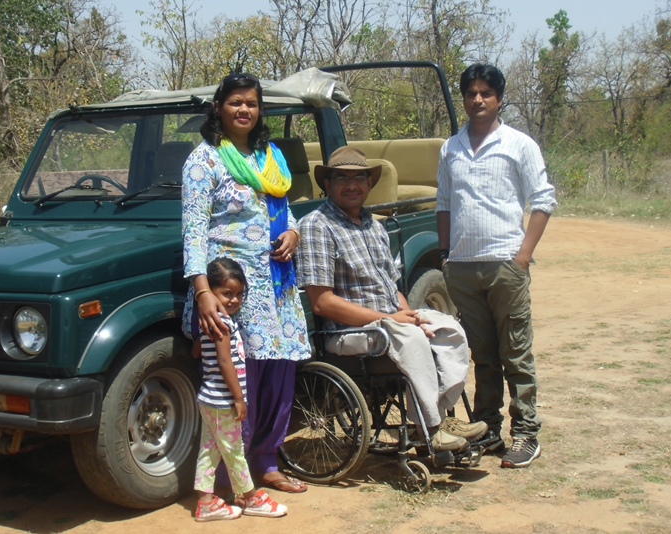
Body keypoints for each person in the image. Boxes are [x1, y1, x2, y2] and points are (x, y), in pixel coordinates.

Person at [297, 146, 487, 454]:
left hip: (389, 323)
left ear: (369, 184)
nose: (352, 185)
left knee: (448, 327)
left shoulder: (374, 225)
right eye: (341, 178)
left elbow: (391, 287)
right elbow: (323, 303)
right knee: (411, 338)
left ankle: (439, 418)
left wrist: (410, 314)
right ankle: (430, 428)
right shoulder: (317, 227)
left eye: (359, 178)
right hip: (344, 332)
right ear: (327, 185)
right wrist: (388, 320)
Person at [182, 72, 310, 494]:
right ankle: (230, 475)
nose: (244, 110)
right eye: (235, 102)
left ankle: (268, 461)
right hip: (233, 287)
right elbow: (194, 231)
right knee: (241, 374)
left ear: (260, 110)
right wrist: (202, 291)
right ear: (219, 107)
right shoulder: (204, 161)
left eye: (251, 103)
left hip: (277, 281)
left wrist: (292, 231)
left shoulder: (268, 156)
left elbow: (282, 207)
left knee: (279, 371)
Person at [436, 63, 557, 469]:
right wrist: (445, 255)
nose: (477, 99)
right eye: (471, 93)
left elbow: (543, 200)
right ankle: (487, 428)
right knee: (483, 355)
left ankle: (525, 434)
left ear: (499, 98)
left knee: (515, 353)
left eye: (486, 92)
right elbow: (444, 204)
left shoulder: (518, 144)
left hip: (506, 263)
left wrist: (522, 256)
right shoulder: (450, 147)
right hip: (464, 268)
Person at [194, 258, 287, 521]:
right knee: (234, 450)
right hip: (222, 400)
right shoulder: (221, 325)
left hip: (208, 399)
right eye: (227, 293)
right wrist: (239, 398)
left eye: (238, 294)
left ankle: (206, 503)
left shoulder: (212, 323)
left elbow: (196, 351)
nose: (234, 300)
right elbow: (225, 362)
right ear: (209, 292)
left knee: (209, 450)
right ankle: (249, 497)